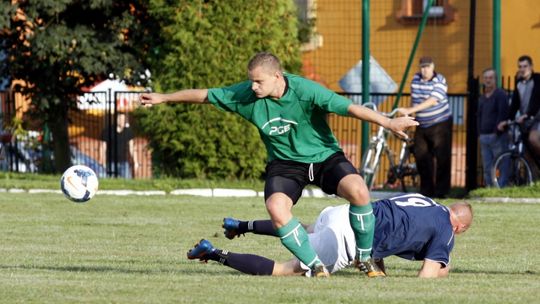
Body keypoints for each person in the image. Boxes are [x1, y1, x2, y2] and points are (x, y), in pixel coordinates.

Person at [140, 52, 418, 277]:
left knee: (358, 190)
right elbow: (206, 94)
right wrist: (163, 97)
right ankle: (315, 267)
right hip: (285, 164)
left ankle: (366, 259)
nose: (252, 87)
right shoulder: (246, 96)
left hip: (324, 157)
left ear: (277, 76)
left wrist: (388, 122)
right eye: (251, 81)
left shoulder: (305, 90)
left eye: (258, 81)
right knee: (276, 208)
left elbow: (350, 108)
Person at [187, 193, 473, 278]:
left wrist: (378, 273)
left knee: (298, 230)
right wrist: (443, 269)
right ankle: (212, 252)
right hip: (346, 237)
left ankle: (243, 225)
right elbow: (428, 276)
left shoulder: (422, 199)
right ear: (459, 227)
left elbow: (386, 230)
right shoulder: (447, 230)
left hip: (343, 213)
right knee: (284, 270)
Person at [398, 56, 452, 198]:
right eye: (422, 67)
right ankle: (426, 191)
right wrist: (410, 118)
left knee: (442, 158)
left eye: (427, 67)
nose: (425, 70)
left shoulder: (440, 80)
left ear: (433, 67)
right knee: (421, 157)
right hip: (422, 123)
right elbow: (415, 100)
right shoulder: (415, 80)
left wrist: (409, 110)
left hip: (440, 122)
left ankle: (441, 192)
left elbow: (432, 101)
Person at [498, 55, 540, 158]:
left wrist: (528, 114)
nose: (522, 69)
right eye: (520, 66)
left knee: (533, 139)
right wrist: (507, 120)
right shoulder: (519, 83)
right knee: (526, 151)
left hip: (536, 118)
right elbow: (514, 104)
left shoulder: (538, 80)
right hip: (525, 120)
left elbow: (537, 101)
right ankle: (532, 173)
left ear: (531, 67)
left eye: (525, 66)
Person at [477, 68, 510, 186]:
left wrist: (496, 131)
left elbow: (503, 113)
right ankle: (489, 188)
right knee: (487, 166)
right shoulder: (482, 97)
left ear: (495, 80)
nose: (488, 80)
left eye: (490, 78)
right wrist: (479, 132)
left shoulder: (500, 94)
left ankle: (501, 187)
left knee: (501, 164)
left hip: (497, 136)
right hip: (484, 136)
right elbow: (479, 116)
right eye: (486, 78)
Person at [99, 112, 138, 178]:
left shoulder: (128, 132)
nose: (122, 121)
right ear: (116, 119)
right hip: (111, 162)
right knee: (110, 182)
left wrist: (135, 161)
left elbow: (132, 148)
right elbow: (102, 147)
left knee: (127, 181)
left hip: (124, 162)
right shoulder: (107, 131)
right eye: (120, 119)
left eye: (124, 119)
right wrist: (102, 160)